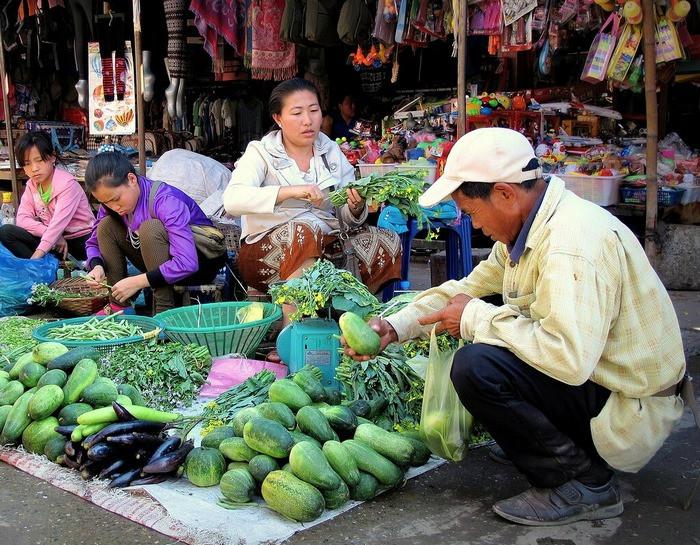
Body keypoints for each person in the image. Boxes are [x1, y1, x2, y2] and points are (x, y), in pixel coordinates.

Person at [343, 127, 687, 526]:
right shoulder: (529, 232)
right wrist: (393, 326)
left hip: (631, 411)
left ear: (505, 193)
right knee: (489, 309)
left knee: (477, 366)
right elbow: (468, 288)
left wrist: (473, 318)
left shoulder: (570, 244)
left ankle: (584, 483)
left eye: (472, 213)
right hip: (604, 386)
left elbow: (568, 358)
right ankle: (549, 440)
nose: (475, 225)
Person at [223, 78, 401, 304]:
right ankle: (296, 323)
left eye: (313, 111)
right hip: (263, 254)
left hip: (326, 244)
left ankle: (353, 311)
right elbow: (232, 200)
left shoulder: (330, 150)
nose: (307, 121)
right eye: (297, 113)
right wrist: (290, 191)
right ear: (278, 118)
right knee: (303, 232)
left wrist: (355, 207)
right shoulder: (261, 153)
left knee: (386, 240)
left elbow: (345, 216)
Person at [84, 152, 227, 314]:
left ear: (132, 179)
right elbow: (93, 242)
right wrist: (97, 266)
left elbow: (188, 262)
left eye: (116, 199)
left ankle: (164, 312)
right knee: (106, 226)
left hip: (199, 265)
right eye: (106, 202)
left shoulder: (166, 201)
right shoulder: (111, 206)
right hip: (157, 266)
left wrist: (137, 282)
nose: (113, 207)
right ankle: (118, 307)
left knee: (150, 228)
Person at [0, 131, 94, 260]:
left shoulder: (67, 184)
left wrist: (34, 260)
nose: (34, 168)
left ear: (52, 157)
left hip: (80, 241)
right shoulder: (31, 185)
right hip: (54, 241)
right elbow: (22, 219)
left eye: (39, 160)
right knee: (7, 232)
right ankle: (45, 269)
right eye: (27, 163)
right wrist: (49, 234)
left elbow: (57, 225)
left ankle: (37, 268)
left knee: (92, 243)